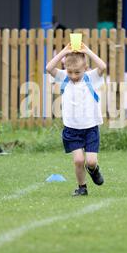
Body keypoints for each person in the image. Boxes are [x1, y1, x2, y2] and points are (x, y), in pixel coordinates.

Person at [46, 42, 106, 196]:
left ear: (85, 68)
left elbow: (103, 66)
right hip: (72, 129)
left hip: (90, 128)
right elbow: (49, 68)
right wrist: (64, 51)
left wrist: (87, 50)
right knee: (79, 160)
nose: (73, 76)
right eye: (70, 72)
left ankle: (93, 170)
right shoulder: (63, 77)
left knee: (91, 161)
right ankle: (82, 187)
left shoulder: (91, 78)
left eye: (77, 72)